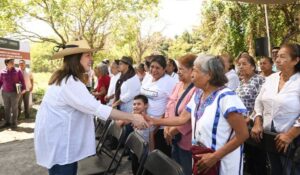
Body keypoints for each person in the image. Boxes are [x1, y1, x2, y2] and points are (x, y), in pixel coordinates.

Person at [34, 40, 148, 175]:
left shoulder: (66, 79)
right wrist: (132, 117)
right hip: (61, 147)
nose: (91, 59)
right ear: (76, 59)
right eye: (87, 55)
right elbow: (97, 109)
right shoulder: (70, 83)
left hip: (59, 144)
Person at [146, 55, 249, 175]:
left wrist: (215, 157)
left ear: (209, 75)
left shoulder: (227, 97)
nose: (192, 74)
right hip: (202, 158)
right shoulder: (198, 94)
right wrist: (154, 121)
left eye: (195, 70)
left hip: (223, 163)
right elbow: (183, 118)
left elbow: (243, 134)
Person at [251, 43, 300, 175]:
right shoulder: (271, 79)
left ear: (296, 60)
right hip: (270, 138)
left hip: (293, 140)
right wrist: (257, 121)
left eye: (282, 57)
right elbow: (259, 102)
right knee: (275, 170)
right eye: (277, 56)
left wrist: (290, 135)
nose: (277, 60)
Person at [164, 54, 196, 175]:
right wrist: (167, 127)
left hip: (186, 138)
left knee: (186, 169)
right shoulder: (178, 85)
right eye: (179, 68)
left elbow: (189, 118)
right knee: (176, 168)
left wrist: (172, 131)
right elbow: (169, 106)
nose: (178, 72)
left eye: (181, 69)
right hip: (173, 137)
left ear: (192, 70)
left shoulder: (196, 90)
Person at [140, 55, 177, 157]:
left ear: (164, 69)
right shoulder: (147, 78)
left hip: (159, 128)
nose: (154, 70)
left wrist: (157, 125)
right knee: (141, 155)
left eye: (158, 68)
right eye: (152, 67)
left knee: (157, 158)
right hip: (143, 123)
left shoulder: (170, 82)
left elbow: (171, 106)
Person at [235, 53, 266, 175]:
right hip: (242, 125)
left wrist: (251, 118)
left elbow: (262, 103)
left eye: (244, 64)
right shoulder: (241, 82)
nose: (241, 67)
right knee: (248, 159)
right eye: (239, 65)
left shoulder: (259, 80)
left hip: (255, 124)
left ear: (253, 67)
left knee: (258, 159)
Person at [0, 58, 26, 128]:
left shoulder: (18, 70)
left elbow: (22, 80)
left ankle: (14, 122)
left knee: (14, 108)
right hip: (5, 92)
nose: (13, 63)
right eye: (11, 62)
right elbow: (0, 82)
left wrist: (24, 88)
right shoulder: (2, 71)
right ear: (7, 63)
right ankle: (7, 122)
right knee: (6, 108)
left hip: (15, 92)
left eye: (13, 62)